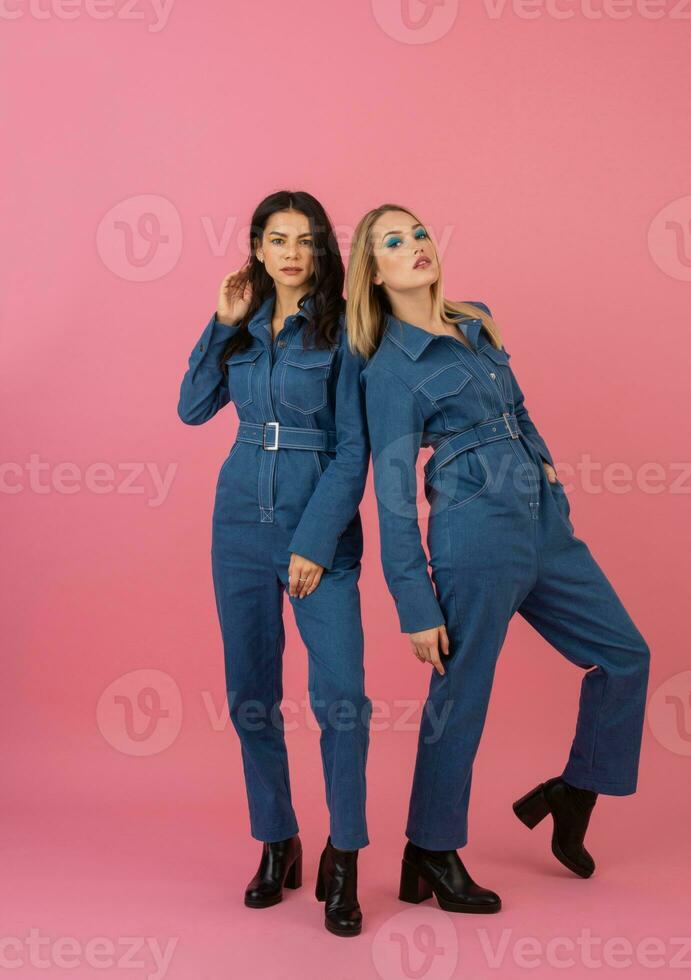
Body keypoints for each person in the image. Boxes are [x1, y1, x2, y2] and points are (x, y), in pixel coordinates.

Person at [348, 203, 651, 913]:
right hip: (472, 537)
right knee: (462, 697)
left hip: (542, 529)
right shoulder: (389, 370)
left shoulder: (476, 320)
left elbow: (519, 408)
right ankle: (430, 847)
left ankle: (572, 792)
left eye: (419, 232)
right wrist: (414, 604)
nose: (415, 246)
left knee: (626, 654)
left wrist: (554, 484)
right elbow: (391, 496)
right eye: (394, 241)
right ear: (374, 269)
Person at [178, 191, 370, 937]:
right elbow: (193, 409)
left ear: (321, 249)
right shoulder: (246, 327)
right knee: (250, 694)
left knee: (342, 698)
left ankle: (345, 854)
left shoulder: (347, 331)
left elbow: (354, 449)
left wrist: (314, 544)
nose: (292, 252)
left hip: (317, 533)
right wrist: (220, 322)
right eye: (276, 239)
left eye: (305, 239)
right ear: (257, 248)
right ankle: (276, 839)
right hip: (238, 528)